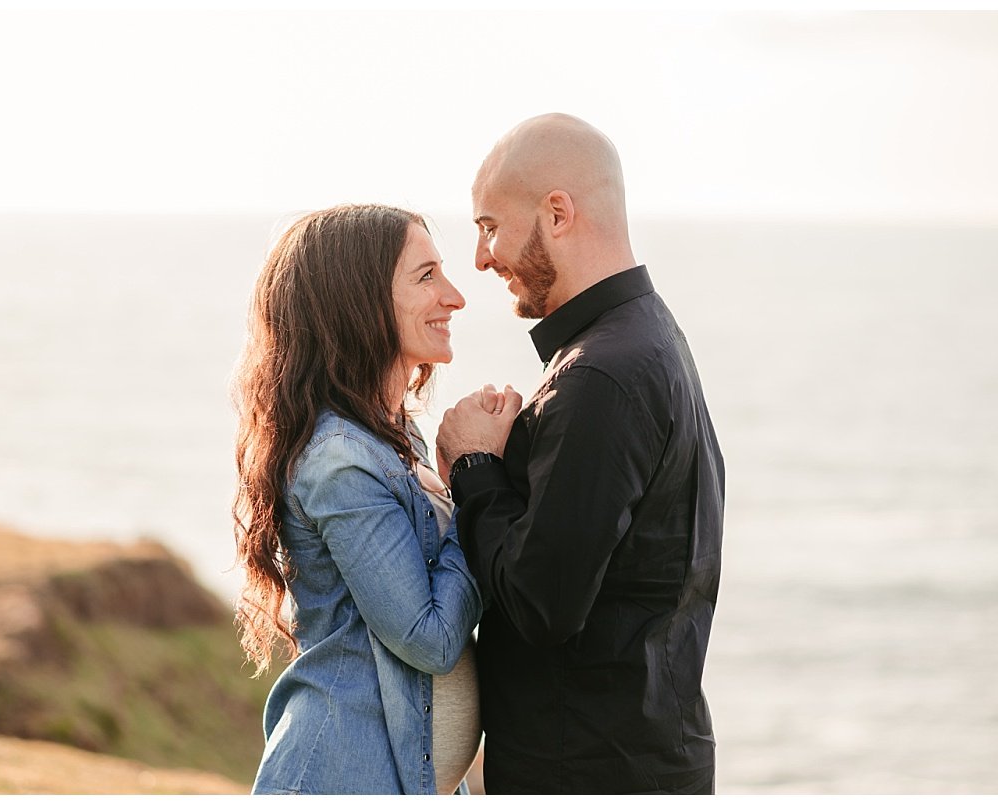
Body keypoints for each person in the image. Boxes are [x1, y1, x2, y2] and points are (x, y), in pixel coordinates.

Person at [436, 113, 726, 794]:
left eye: (488, 227)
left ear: (557, 213)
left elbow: (541, 606)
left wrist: (474, 466)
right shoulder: (647, 338)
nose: (481, 258)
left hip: (590, 771)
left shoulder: (600, 374)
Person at [232, 203, 483, 795]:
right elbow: (431, 638)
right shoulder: (340, 460)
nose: (455, 296)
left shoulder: (399, 436)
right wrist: (477, 484)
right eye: (426, 276)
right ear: (360, 302)